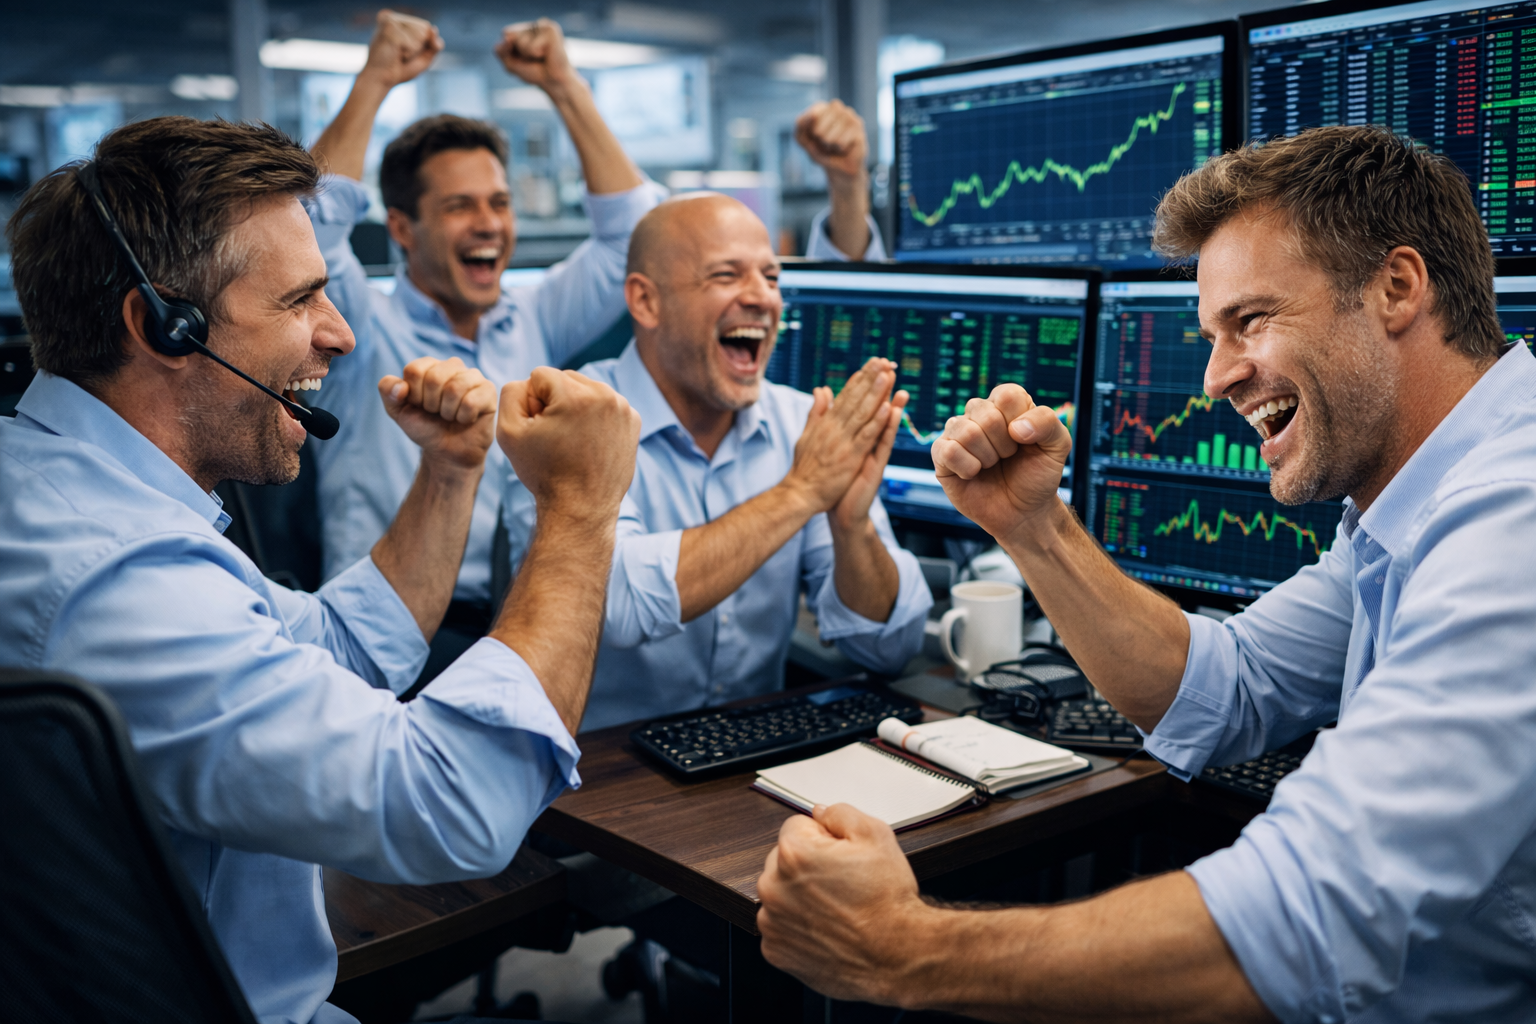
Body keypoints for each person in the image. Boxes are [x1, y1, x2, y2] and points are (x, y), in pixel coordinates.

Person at [755, 124, 1536, 1023]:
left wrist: (899, 949)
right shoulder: (1404, 510)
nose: (1213, 379)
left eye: (1251, 320)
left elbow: (1303, 915)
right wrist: (1033, 527)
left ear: (1397, 288)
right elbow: (1217, 688)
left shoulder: (1507, 523)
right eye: (1212, 334)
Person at [0, 116, 640, 1024]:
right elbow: (452, 806)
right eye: (300, 300)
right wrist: (580, 511)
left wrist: (450, 471)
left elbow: (339, 644)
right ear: (165, 328)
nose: (339, 335)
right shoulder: (118, 578)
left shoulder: (70, 495)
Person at [304, 10, 665, 680]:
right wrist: (375, 77)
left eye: (499, 202)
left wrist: (564, 86)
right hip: (390, 639)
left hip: (516, 627)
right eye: (460, 206)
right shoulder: (353, 323)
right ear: (404, 229)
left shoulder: (534, 320)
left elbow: (636, 239)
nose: (489, 224)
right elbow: (311, 227)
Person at [500, 193, 932, 731]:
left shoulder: (803, 426)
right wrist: (799, 494)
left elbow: (888, 647)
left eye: (772, 278)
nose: (762, 298)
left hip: (747, 771)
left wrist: (851, 529)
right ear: (645, 301)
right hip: (589, 781)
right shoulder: (566, 422)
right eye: (727, 275)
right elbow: (621, 604)